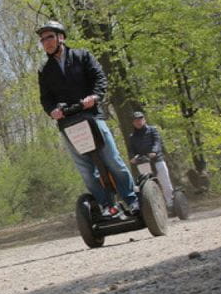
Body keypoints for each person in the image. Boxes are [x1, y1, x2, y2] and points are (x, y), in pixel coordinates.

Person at [36, 20, 139, 217]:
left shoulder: (82, 56)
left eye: (49, 37)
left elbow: (99, 78)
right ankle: (106, 205)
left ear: (61, 37)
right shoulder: (45, 70)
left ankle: (131, 199)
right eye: (42, 40)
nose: (46, 42)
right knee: (86, 169)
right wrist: (52, 111)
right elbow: (46, 98)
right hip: (68, 124)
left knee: (112, 160)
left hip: (92, 116)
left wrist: (95, 96)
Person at [127, 111, 174, 207]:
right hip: (143, 162)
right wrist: (132, 158)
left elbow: (157, 142)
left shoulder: (153, 130)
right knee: (148, 185)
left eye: (140, 119)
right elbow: (131, 150)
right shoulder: (132, 137)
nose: (138, 122)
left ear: (144, 120)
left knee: (165, 182)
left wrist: (154, 152)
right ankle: (157, 206)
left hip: (157, 160)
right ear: (133, 123)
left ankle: (170, 203)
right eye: (136, 120)